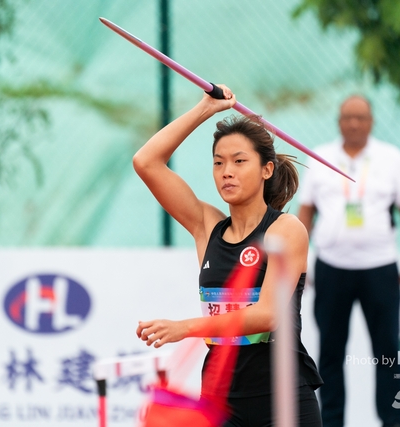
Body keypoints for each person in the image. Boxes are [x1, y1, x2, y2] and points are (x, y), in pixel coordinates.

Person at [133, 85, 323, 427]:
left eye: (239, 161)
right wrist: (205, 109)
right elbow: (146, 162)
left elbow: (266, 316)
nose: (226, 172)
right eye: (218, 162)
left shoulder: (285, 230)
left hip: (282, 402)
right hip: (220, 403)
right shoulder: (206, 227)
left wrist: (184, 328)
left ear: (266, 169)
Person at [297, 95, 400, 427]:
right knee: (330, 354)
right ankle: (332, 422)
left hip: (380, 268)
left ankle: (392, 421)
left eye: (360, 117)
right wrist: (302, 258)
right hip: (331, 268)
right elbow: (306, 211)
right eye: (347, 117)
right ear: (338, 121)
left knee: (387, 352)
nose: (354, 123)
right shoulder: (320, 157)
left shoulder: (391, 158)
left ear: (371, 121)